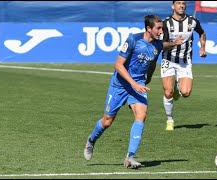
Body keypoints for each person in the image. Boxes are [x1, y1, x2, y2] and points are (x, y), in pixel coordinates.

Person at [83, 15, 163, 169]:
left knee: (141, 115)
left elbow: (153, 62)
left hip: (138, 84)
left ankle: (130, 157)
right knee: (107, 121)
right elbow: (118, 65)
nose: (161, 31)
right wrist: (133, 84)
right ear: (148, 28)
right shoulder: (133, 40)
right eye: (158, 28)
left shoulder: (157, 45)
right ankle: (91, 140)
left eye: (162, 28)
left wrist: (148, 78)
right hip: (120, 85)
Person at [161, 1, 207, 131]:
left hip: (185, 62)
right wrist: (174, 43)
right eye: (178, 3)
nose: (181, 5)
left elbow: (202, 33)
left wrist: (202, 48)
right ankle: (170, 120)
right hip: (168, 60)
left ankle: (178, 88)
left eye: (183, 3)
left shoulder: (193, 21)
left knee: (186, 93)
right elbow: (161, 44)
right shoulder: (165, 23)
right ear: (173, 6)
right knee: (168, 92)